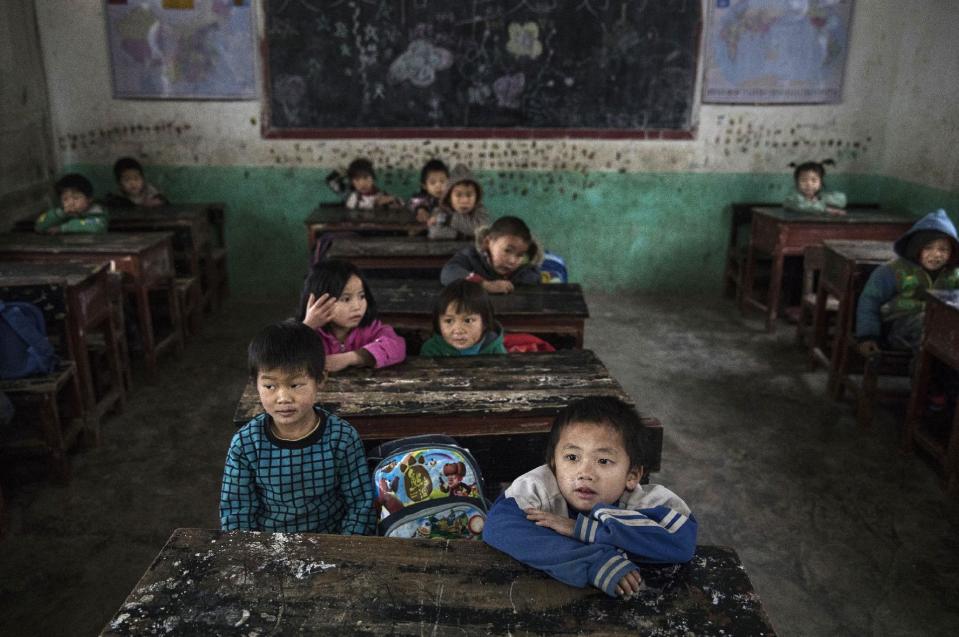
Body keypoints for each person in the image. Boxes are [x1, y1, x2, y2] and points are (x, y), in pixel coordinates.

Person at [483, 397, 696, 598]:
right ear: (554, 463)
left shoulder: (645, 501)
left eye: (603, 460)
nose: (584, 472)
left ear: (632, 475)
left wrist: (582, 529)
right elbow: (498, 526)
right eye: (572, 457)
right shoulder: (539, 487)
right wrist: (593, 561)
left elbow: (682, 541)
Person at [219, 320, 375, 534]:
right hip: (269, 546)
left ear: (320, 379)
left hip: (332, 543)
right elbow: (236, 512)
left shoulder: (342, 437)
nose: (283, 398)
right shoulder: (246, 444)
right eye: (270, 386)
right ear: (255, 384)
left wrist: (344, 550)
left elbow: (360, 506)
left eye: (295, 385)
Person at [856, 209, 959, 364]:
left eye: (943, 249)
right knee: (927, 327)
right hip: (895, 328)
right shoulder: (892, 271)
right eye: (928, 248)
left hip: (936, 331)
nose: (936, 254)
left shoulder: (954, 274)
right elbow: (870, 301)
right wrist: (867, 336)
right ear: (917, 248)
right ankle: (921, 380)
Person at [298, 259, 405, 371]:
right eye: (346, 299)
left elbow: (397, 346)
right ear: (318, 302)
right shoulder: (310, 332)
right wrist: (307, 327)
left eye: (362, 296)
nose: (357, 306)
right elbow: (283, 357)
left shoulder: (372, 329)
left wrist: (352, 357)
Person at [440, 216, 543, 294]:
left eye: (520, 255)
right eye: (507, 250)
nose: (512, 261)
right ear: (488, 242)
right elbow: (448, 272)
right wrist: (484, 285)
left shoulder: (528, 271)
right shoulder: (471, 257)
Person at [420, 280, 506, 356]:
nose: (458, 330)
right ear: (438, 323)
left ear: (485, 322)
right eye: (449, 321)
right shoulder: (432, 349)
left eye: (468, 320)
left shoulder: (494, 348)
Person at [428, 163, 489, 239]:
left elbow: (482, 229)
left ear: (476, 197)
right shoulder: (441, 211)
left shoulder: (480, 210)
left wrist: (449, 219)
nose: (464, 200)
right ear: (449, 198)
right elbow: (435, 232)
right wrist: (463, 235)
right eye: (458, 195)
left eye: (469, 195)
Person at [34, 173, 108, 234]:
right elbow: (39, 226)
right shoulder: (61, 213)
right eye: (65, 199)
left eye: (76, 198)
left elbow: (96, 227)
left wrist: (62, 228)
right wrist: (60, 214)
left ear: (89, 199)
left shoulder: (98, 213)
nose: (70, 203)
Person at [408, 159, 449, 227]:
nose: (438, 186)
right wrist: (420, 209)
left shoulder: (452, 197)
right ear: (425, 186)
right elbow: (413, 202)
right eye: (433, 183)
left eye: (442, 181)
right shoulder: (424, 197)